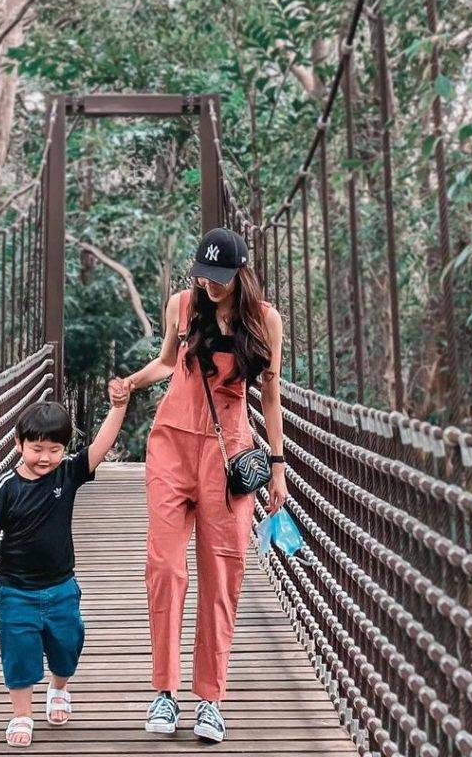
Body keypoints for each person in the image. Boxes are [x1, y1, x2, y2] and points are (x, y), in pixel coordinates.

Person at [111, 226, 287, 744]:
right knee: (164, 567)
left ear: (240, 274)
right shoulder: (183, 305)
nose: (210, 285)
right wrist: (131, 384)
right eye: (204, 275)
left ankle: (209, 699)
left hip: (229, 455)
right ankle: (163, 693)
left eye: (220, 277)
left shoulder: (265, 321)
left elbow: (271, 398)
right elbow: (168, 362)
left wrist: (276, 466)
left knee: (222, 573)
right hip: (170, 445)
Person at [0, 392, 128, 747]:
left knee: (68, 646)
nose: (45, 457)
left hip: (61, 586)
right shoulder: (6, 487)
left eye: (54, 449)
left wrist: (118, 407)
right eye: (36, 448)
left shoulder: (67, 474)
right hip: (15, 590)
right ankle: (22, 714)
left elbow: (101, 445)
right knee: (19, 652)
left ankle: (59, 688)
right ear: (19, 444)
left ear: (64, 449)